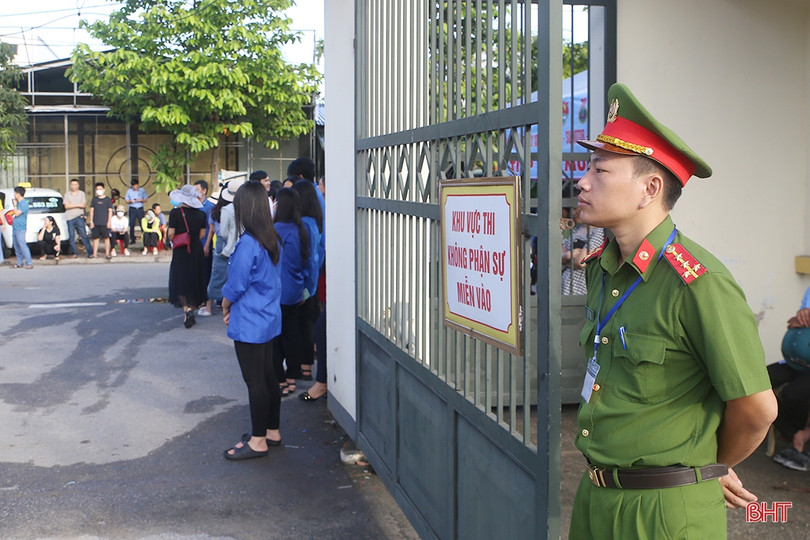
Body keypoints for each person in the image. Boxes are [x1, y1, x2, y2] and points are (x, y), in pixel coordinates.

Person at [568, 83, 777, 539]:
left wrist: (707, 463)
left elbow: (757, 410)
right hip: (596, 495)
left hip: (665, 512)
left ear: (650, 188)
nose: (582, 181)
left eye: (600, 170)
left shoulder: (699, 284)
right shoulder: (604, 269)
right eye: (588, 168)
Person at [221, 180, 284, 460]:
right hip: (268, 318)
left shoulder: (248, 243)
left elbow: (235, 285)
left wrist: (224, 304)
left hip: (250, 321)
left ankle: (258, 440)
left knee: (255, 381)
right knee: (269, 377)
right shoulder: (272, 238)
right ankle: (271, 430)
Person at [272, 187, 310, 396]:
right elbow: (308, 263)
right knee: (292, 334)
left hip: (278, 291)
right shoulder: (301, 229)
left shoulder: (275, 229)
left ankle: (280, 380)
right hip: (296, 290)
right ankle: (292, 377)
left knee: (275, 337)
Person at [768, 289, 810, 471]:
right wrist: (798, 322)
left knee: (793, 393)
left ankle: (799, 438)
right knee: (757, 383)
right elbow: (802, 317)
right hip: (796, 361)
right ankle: (793, 432)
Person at [293, 179, 324, 380]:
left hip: (304, 282)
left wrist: (303, 286)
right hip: (311, 281)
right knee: (307, 324)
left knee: (300, 326)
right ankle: (306, 366)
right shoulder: (315, 222)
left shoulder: (303, 224)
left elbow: (307, 259)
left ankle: (301, 367)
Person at [198, 179, 242, 317]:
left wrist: (206, 245)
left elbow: (213, 230)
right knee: (236, 274)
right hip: (239, 241)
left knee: (217, 274)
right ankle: (231, 306)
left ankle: (209, 306)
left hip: (221, 243)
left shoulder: (216, 211)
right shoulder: (241, 210)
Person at [167, 184, 208, 328]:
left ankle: (186, 309)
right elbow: (202, 234)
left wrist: (174, 239)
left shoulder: (175, 213)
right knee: (195, 277)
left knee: (180, 278)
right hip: (196, 247)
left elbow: (171, 233)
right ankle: (192, 306)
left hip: (181, 249)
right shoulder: (201, 214)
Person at [561, 189, 604, 296]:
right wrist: (569, 255)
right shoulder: (576, 230)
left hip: (581, 290)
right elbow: (558, 258)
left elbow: (581, 261)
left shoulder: (599, 231)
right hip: (564, 288)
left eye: (576, 208)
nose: (574, 213)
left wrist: (566, 258)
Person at [63, 178, 93, 258]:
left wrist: (71, 205)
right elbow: (66, 206)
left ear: (78, 185)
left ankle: (90, 252)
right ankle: (74, 253)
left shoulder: (81, 193)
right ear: (70, 185)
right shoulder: (67, 194)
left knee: (84, 235)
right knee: (72, 236)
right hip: (69, 218)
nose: (73, 186)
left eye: (75, 184)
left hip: (79, 217)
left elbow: (83, 205)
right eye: (72, 184)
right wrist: (77, 205)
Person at [9, 186, 33, 269]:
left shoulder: (23, 203)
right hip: (15, 227)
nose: (14, 195)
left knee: (22, 245)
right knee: (16, 246)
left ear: (19, 194)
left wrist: (15, 205)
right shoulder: (19, 203)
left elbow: (17, 213)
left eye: (15, 193)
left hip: (21, 227)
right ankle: (19, 262)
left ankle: (29, 262)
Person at [89, 182, 113, 260]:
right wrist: (91, 221)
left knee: (106, 238)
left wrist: (109, 222)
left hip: (105, 222)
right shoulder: (94, 200)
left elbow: (110, 211)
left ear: (104, 189)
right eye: (97, 189)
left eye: (100, 189)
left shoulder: (108, 200)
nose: (99, 190)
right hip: (96, 222)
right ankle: (94, 254)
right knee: (96, 238)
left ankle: (107, 254)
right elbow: (91, 210)